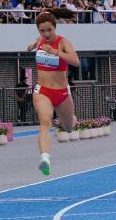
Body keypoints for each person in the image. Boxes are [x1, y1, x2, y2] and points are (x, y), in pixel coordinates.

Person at [26, 10, 80, 176]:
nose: (46, 34)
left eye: (49, 30)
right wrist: (33, 46)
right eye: (42, 31)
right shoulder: (40, 40)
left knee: (69, 128)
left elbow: (76, 62)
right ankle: (45, 159)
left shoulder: (63, 42)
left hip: (62, 93)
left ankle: (72, 119)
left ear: (55, 27)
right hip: (42, 91)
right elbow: (37, 42)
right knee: (44, 121)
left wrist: (55, 52)